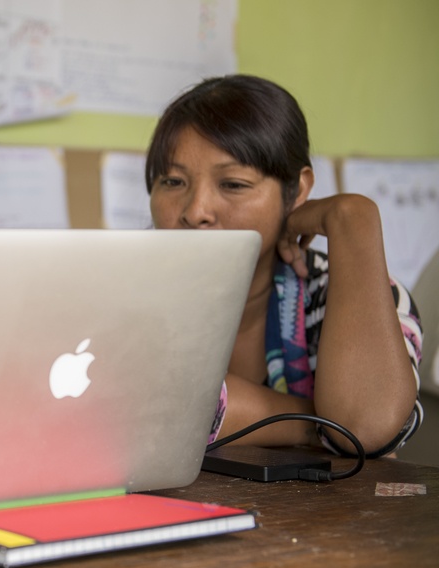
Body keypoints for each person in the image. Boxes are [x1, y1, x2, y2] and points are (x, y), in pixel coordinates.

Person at [145, 74, 423, 457]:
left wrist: (352, 219)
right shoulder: (126, 289)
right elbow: (146, 403)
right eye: (173, 181)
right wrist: (313, 424)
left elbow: (365, 430)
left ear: (299, 189)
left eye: (234, 184)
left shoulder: (344, 294)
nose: (196, 212)